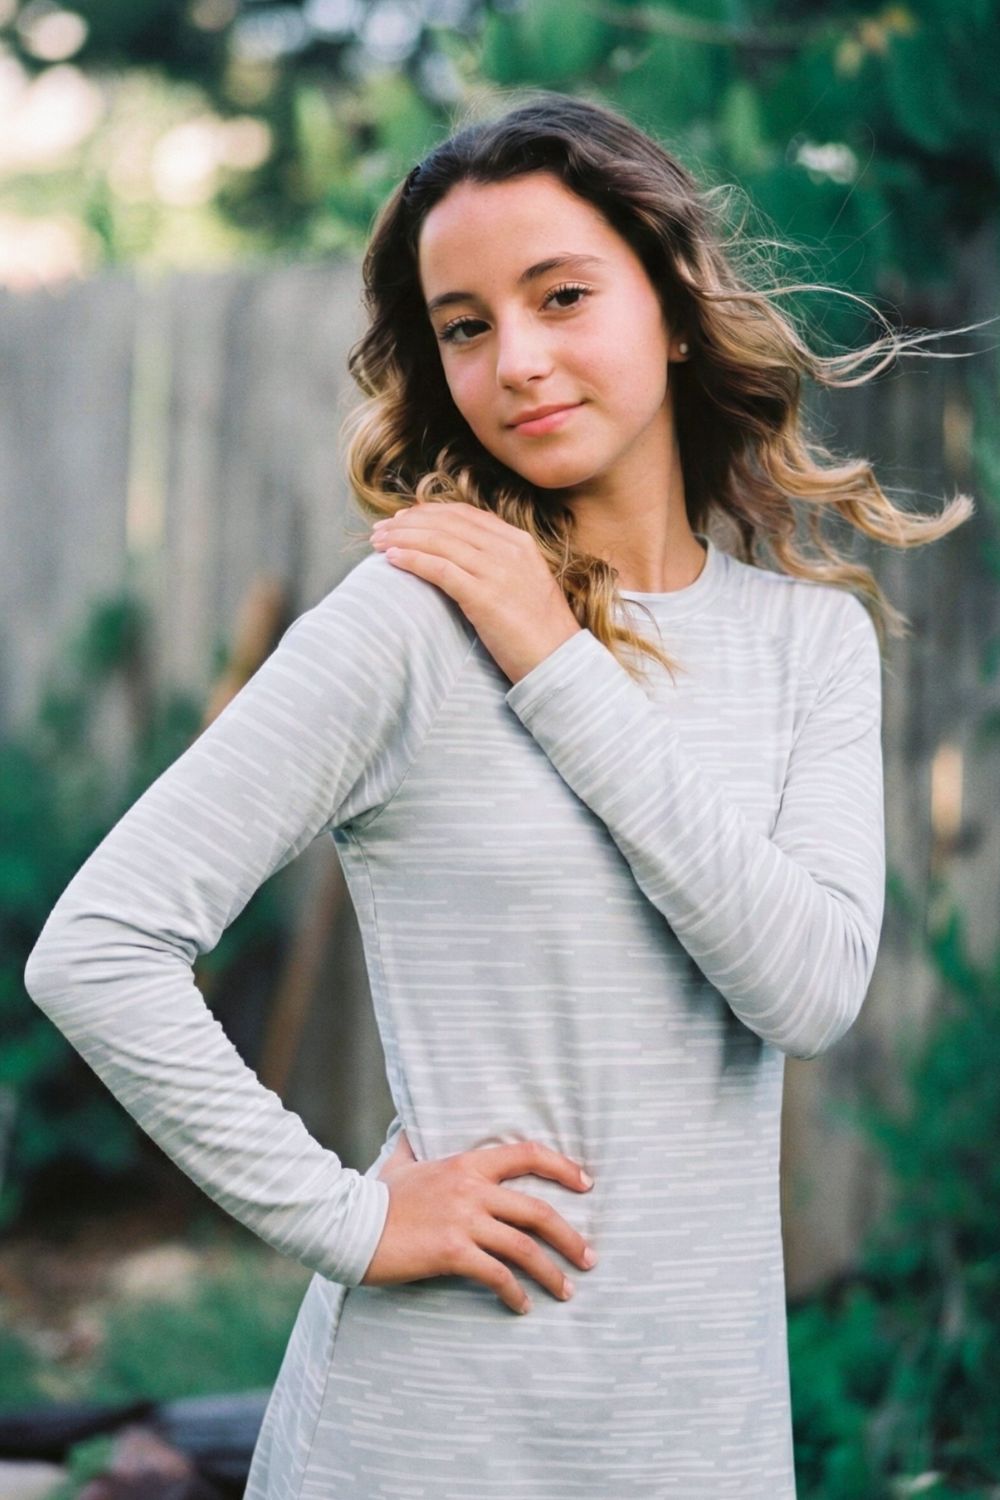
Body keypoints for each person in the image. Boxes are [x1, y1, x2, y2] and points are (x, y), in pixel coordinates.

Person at [24, 89, 982, 1499]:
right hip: (426, 1438)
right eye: (465, 326)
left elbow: (807, 991)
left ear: (671, 307)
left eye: (561, 296)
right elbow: (99, 950)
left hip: (702, 1440)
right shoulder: (408, 622)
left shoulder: (808, 645)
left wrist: (558, 661)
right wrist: (347, 1221)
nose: (516, 359)